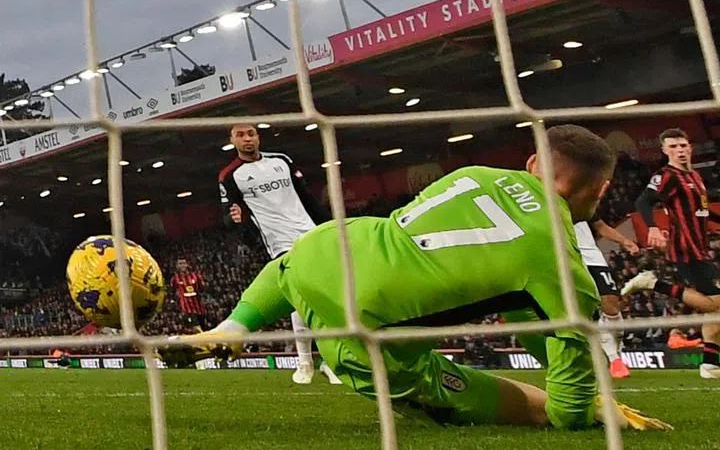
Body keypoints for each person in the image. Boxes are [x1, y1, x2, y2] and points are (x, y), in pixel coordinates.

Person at [165, 124, 669, 432]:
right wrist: (586, 404)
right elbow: (566, 409)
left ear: (533, 162)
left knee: (298, 261)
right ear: (601, 190)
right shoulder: (561, 264)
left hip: (327, 248)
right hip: (366, 336)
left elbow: (517, 298)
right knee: (524, 405)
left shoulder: (474, 173)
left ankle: (232, 328)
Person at [623, 128, 720, 379]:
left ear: (690, 148)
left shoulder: (694, 176)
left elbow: (703, 210)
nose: (680, 151)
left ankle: (710, 365)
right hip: (685, 247)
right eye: (673, 147)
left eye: (683, 145)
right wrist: (652, 227)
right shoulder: (666, 175)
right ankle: (653, 283)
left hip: (700, 246)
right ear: (664, 150)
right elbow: (643, 201)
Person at [218, 122, 341, 385]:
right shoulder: (229, 175)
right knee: (302, 296)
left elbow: (306, 197)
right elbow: (227, 216)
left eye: (251, 134)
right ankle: (311, 362)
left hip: (311, 233)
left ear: (258, 137)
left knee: (318, 296)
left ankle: (318, 362)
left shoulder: (282, 160)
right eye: (240, 135)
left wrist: (330, 226)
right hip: (280, 243)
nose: (247, 139)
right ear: (232, 141)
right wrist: (234, 218)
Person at [576, 216, 641, 379]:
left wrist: (624, 241)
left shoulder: (576, 202)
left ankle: (616, 349)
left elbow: (600, 225)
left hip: (591, 256)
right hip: (567, 260)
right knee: (589, 311)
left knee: (611, 306)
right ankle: (614, 359)